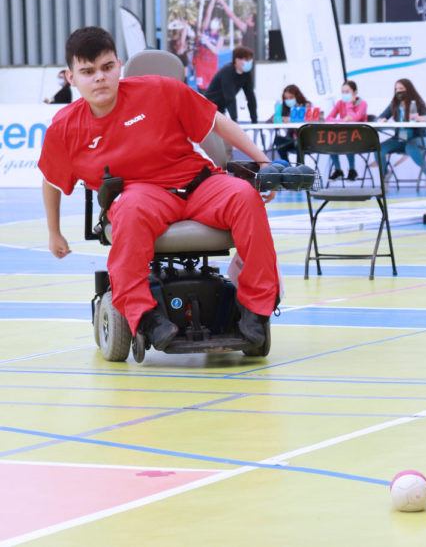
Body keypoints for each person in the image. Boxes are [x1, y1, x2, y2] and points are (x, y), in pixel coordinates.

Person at [39, 26, 279, 351]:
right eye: (88, 71)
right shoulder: (64, 128)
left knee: (245, 196)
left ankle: (256, 309)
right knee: (129, 209)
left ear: (119, 66)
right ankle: (146, 317)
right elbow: (51, 180)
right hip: (142, 195)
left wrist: (262, 161)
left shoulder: (159, 89)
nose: (100, 78)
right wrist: (54, 233)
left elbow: (217, 122)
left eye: (107, 67)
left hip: (197, 183)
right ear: (71, 77)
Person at [376, 78, 426, 190]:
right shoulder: (394, 104)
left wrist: (420, 118)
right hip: (401, 135)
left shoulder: (417, 102)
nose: (398, 91)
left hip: (418, 136)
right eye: (396, 89)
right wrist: (381, 119)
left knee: (411, 148)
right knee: (379, 150)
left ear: (408, 89)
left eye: (401, 88)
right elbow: (380, 117)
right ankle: (385, 175)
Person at [325, 80, 368, 181]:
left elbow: (353, 119)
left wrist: (349, 104)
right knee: (330, 141)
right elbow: (328, 119)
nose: (344, 94)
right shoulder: (340, 103)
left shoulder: (363, 104)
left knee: (348, 139)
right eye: (343, 92)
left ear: (355, 92)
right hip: (343, 135)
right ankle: (338, 170)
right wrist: (342, 120)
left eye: (347, 92)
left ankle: (352, 170)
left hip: (359, 136)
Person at [204, 46, 258, 124]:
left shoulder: (246, 73)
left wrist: (254, 120)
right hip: (209, 108)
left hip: (221, 109)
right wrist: (234, 120)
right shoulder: (227, 71)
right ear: (237, 60)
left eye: (250, 60)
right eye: (246, 60)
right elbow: (229, 97)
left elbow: (250, 96)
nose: (249, 62)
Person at [272, 84, 311, 161]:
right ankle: (287, 166)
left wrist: (291, 119)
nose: (288, 100)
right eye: (286, 98)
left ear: (297, 96)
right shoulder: (284, 108)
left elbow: (312, 119)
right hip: (291, 140)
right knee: (278, 141)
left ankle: (299, 167)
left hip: (305, 141)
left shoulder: (306, 105)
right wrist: (278, 118)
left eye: (291, 97)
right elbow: (272, 119)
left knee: (299, 143)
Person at [192, 0, 223, 91]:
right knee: (202, 91)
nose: (214, 22)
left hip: (212, 67)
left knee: (214, 90)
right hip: (201, 66)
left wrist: (207, 42)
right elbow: (208, 14)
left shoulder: (219, 38)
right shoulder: (205, 31)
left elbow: (216, 50)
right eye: (213, 20)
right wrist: (213, 0)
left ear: (219, 26)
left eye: (217, 21)